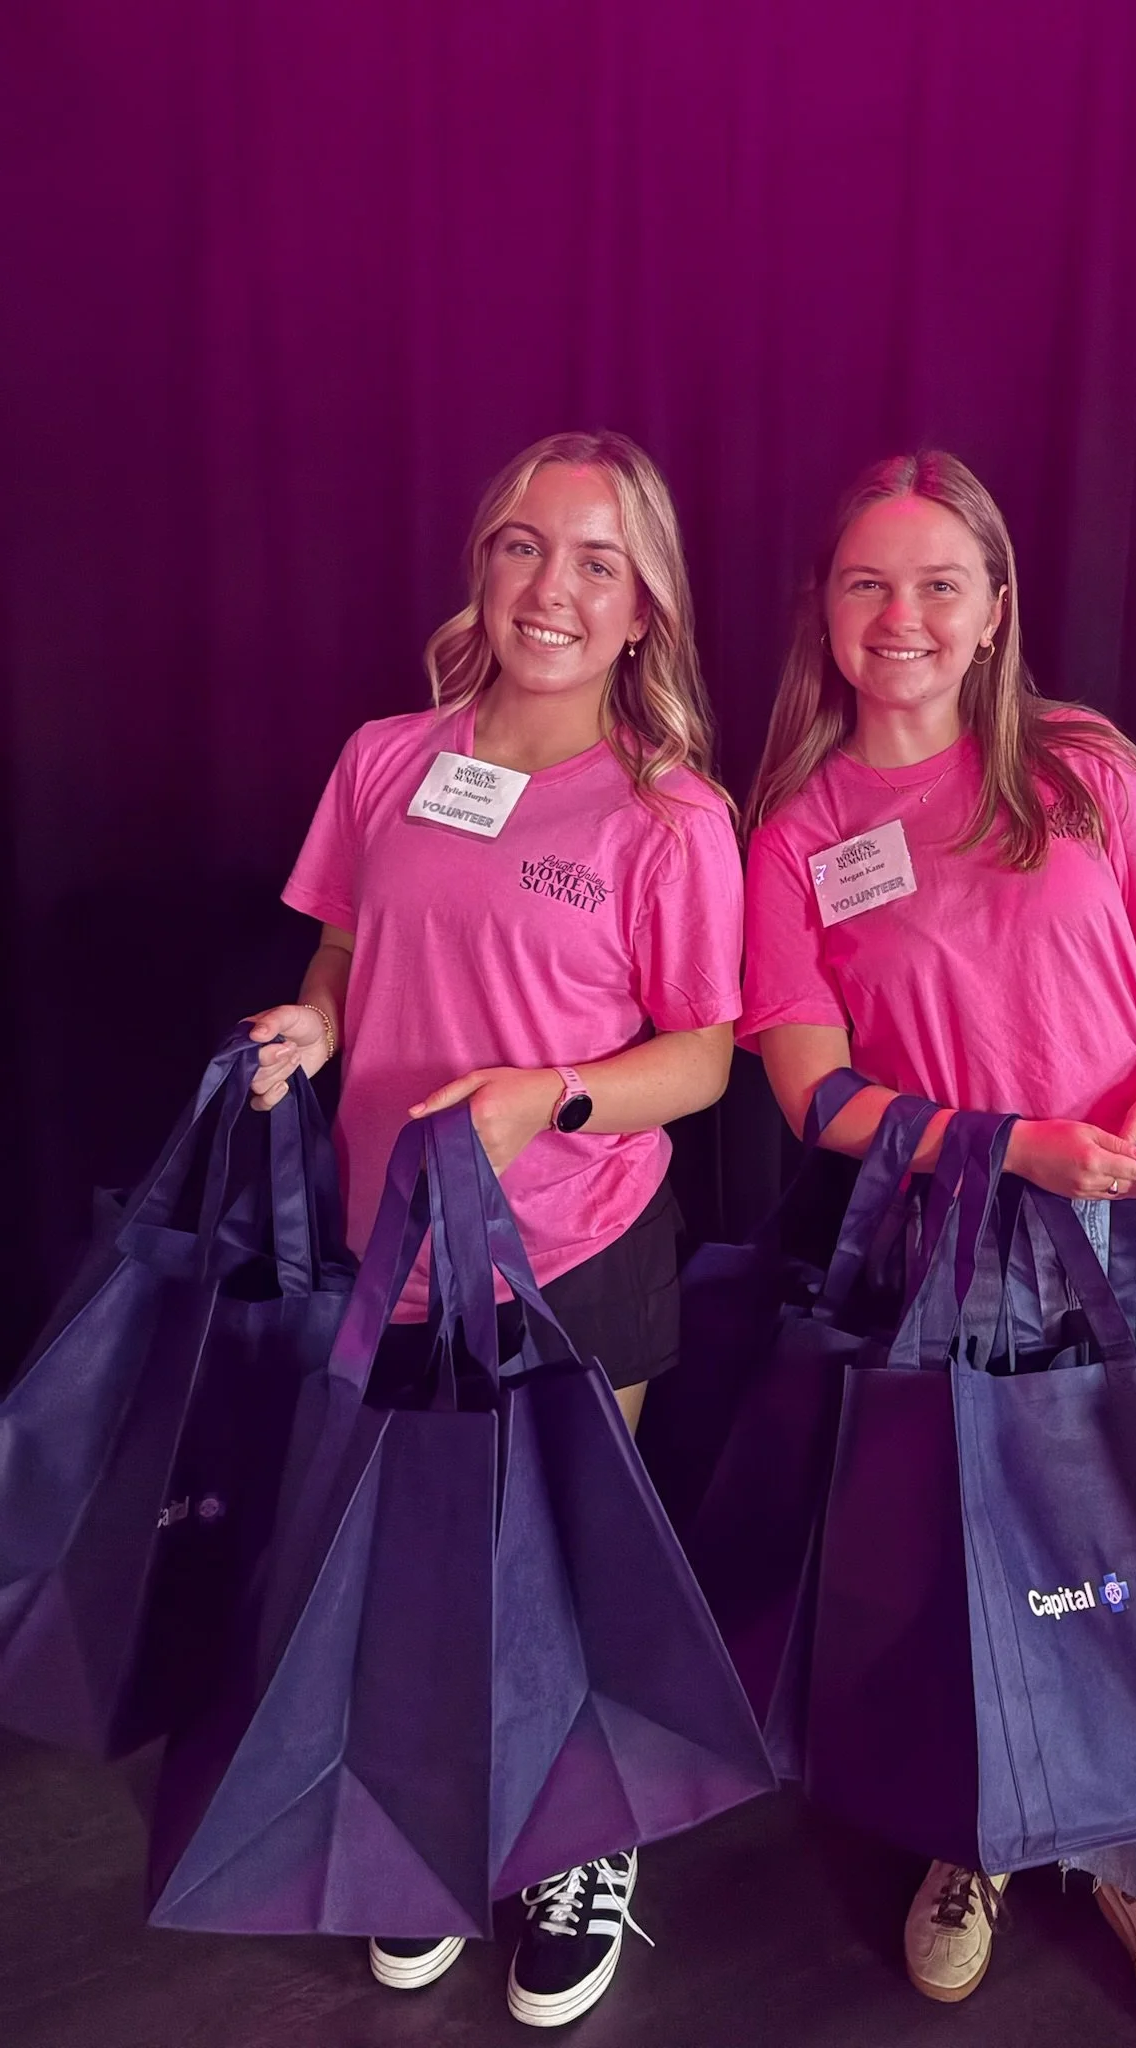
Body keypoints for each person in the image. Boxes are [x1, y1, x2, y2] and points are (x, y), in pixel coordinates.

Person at [245, 430, 743, 2028]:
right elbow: (341, 950)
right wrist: (317, 1030)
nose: (553, 586)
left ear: (643, 605)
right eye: (528, 546)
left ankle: (581, 1846)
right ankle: (433, 1821)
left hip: (576, 1252)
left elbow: (707, 1058)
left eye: (598, 560)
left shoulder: (672, 814)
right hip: (395, 1251)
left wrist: (558, 1098)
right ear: (486, 564)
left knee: (568, 1563)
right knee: (422, 1558)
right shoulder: (387, 755)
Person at [738, 450, 1136, 2048]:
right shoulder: (799, 832)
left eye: (940, 581)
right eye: (869, 581)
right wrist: (1003, 1143)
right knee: (977, 1557)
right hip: (949, 1236)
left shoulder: (1082, 766)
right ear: (823, 609)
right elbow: (812, 1093)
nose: (903, 615)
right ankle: (984, 1837)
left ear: (993, 607)